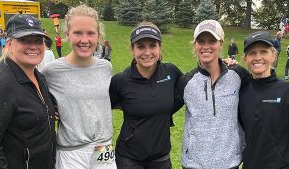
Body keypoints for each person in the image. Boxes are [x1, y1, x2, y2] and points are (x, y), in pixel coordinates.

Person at [41, 5, 117, 169]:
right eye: (78, 33)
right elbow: (36, 99)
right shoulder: (52, 71)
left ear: (98, 36)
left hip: (103, 146)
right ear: (67, 34)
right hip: (71, 151)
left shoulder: (106, 67)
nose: (85, 40)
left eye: (90, 33)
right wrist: (49, 108)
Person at [110, 21, 183, 169]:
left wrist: (222, 67)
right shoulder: (121, 80)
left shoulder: (171, 72)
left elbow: (191, 86)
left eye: (153, 45)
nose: (147, 52)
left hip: (161, 157)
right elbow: (105, 104)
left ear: (160, 47)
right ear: (132, 49)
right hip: (129, 158)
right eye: (141, 46)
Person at [177, 20, 250, 169]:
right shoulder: (186, 82)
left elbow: (260, 92)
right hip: (194, 164)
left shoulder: (238, 75)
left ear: (221, 43)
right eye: (201, 41)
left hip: (230, 162)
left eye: (212, 41)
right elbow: (162, 107)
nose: (206, 46)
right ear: (195, 45)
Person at [0, 14, 56, 169]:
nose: (33, 46)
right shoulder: (0, 84)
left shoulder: (39, 77)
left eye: (38, 40)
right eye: (25, 40)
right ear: (9, 44)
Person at [239, 31, 289, 168]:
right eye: (252, 53)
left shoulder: (285, 91)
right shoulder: (241, 91)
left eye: (263, 52)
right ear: (245, 59)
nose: (258, 57)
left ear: (273, 55)